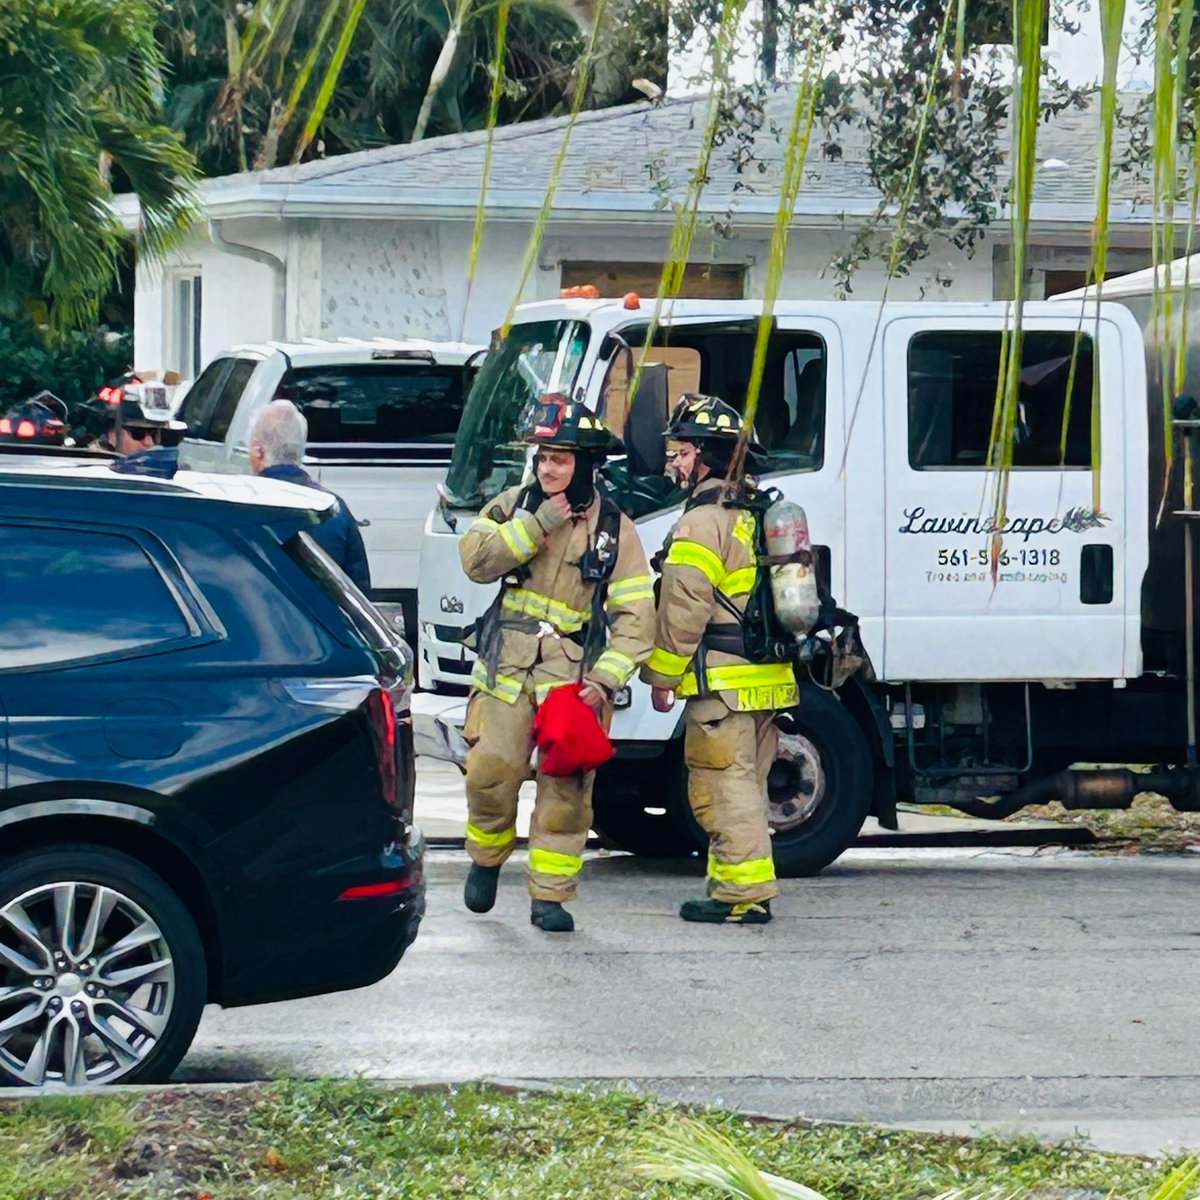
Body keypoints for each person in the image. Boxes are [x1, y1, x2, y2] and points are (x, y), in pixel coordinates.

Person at [459, 397, 654, 933]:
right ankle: (485, 859)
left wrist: (606, 679)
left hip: (572, 684)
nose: (548, 467)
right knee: (489, 774)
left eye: (561, 459)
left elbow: (637, 615)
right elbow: (476, 561)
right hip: (506, 673)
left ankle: (550, 895)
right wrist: (537, 523)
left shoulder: (617, 531)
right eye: (543, 456)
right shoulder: (514, 505)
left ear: (586, 464)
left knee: (566, 794)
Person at [641, 393, 799, 926]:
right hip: (767, 680)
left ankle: (743, 896)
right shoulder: (756, 513)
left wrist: (662, 675)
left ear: (705, 456)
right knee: (747, 785)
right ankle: (736, 884)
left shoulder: (703, 522)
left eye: (681, 453)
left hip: (723, 685)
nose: (674, 464)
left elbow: (683, 607)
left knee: (720, 785)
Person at [248, 400, 371, 592]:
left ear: (258, 451)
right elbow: (359, 589)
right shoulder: (335, 508)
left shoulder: (243, 507)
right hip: (325, 620)